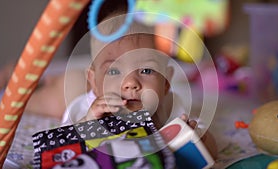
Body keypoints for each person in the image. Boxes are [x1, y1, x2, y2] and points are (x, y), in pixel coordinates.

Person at [63, 4, 218, 159]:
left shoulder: (169, 107)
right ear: (94, 82)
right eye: (114, 71)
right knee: (65, 87)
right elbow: (62, 148)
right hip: (73, 87)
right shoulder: (85, 110)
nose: (131, 82)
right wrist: (90, 124)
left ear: (165, 82)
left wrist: (198, 138)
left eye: (146, 70)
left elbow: (210, 151)